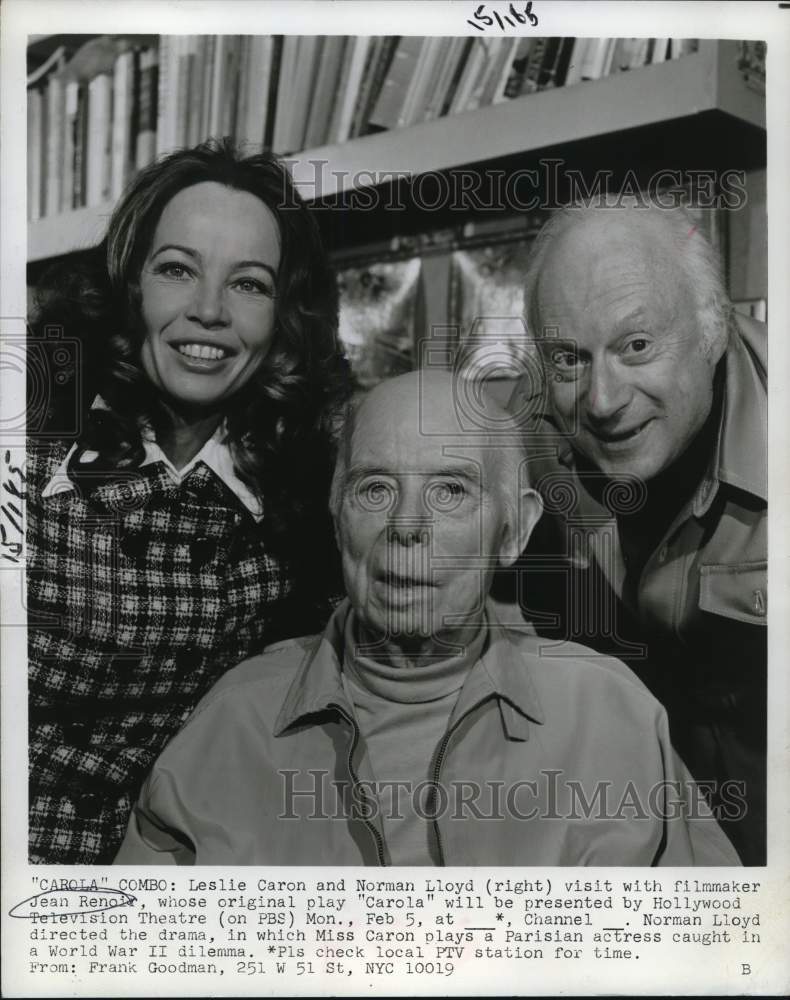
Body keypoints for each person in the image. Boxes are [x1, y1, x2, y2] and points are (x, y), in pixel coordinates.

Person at [115, 370, 738, 866]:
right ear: (336, 514)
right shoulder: (232, 724)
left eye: (450, 491)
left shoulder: (612, 717)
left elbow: (713, 955)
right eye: (375, 489)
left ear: (514, 531)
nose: (407, 526)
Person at [27, 139, 350, 864]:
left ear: (284, 314)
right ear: (130, 286)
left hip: (172, 880)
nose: (208, 311)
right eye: (177, 269)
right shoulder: (28, 436)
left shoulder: (305, 493)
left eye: (249, 284)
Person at [510, 203, 766, 864]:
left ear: (713, 328)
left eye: (636, 346)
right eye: (569, 359)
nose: (602, 401)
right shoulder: (522, 438)